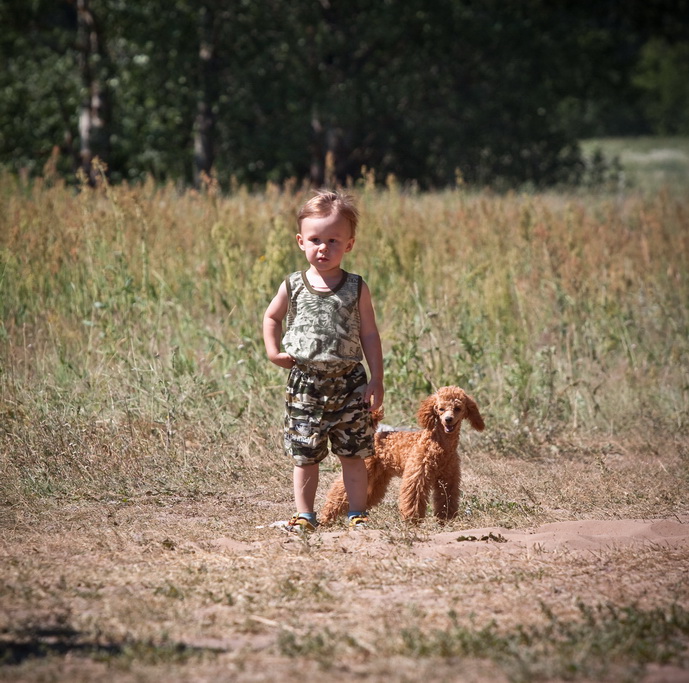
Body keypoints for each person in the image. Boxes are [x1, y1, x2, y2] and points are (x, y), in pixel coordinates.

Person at [263, 190, 384, 531]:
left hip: (350, 382)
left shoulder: (356, 287)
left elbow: (370, 334)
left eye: (333, 240)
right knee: (306, 454)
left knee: (354, 454)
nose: (323, 248)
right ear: (301, 241)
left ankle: (357, 514)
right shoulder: (293, 285)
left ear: (349, 244)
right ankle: (305, 515)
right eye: (315, 239)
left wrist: (377, 379)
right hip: (306, 383)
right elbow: (271, 317)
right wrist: (274, 351)